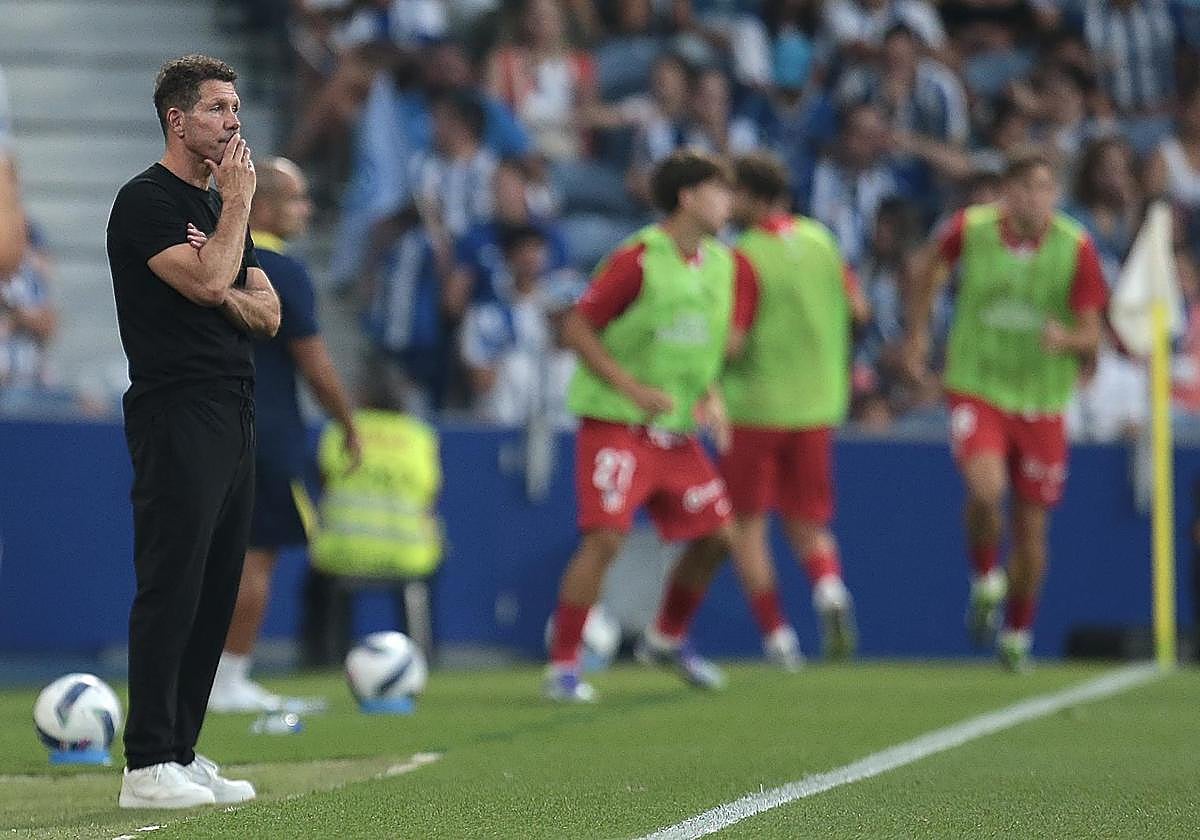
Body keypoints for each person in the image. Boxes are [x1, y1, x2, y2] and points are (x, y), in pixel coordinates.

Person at [105, 55, 280, 808]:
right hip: (178, 406)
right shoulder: (144, 202)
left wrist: (224, 264)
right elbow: (216, 283)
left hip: (234, 404)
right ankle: (146, 763)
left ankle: (181, 748)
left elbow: (267, 312)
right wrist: (233, 217)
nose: (233, 121)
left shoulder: (216, 212)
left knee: (217, 586)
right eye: (217, 108)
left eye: (236, 107)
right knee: (173, 581)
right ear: (178, 121)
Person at [545, 149, 751, 702]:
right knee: (606, 538)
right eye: (719, 191)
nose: (728, 203)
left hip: (677, 430)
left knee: (718, 538)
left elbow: (698, 345)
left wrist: (713, 398)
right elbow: (578, 328)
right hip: (617, 423)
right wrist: (630, 388)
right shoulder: (638, 257)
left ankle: (666, 637)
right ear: (688, 198)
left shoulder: (724, 264)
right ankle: (564, 665)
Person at [902, 150, 1107, 671]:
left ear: (1054, 194)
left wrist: (1068, 339)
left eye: (1041, 188)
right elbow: (928, 266)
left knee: (1033, 532)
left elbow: (1091, 332)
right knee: (985, 489)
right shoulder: (969, 229)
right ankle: (986, 576)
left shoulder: (1075, 246)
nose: (1031, 198)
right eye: (1020, 187)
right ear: (1005, 193)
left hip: (1040, 399)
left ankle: (1016, 632)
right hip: (978, 384)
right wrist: (919, 335)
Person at [207, 157, 362, 713]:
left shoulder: (209, 259)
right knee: (256, 557)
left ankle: (202, 675)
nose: (308, 209)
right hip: (267, 433)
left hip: (207, 426)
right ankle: (230, 680)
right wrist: (349, 424)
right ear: (265, 207)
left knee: (207, 557)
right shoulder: (283, 271)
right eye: (297, 200)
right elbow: (315, 365)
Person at [722, 152, 869, 669]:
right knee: (807, 520)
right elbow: (859, 310)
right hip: (816, 406)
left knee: (747, 526)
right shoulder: (821, 240)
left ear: (748, 195)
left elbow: (734, 343)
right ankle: (829, 588)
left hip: (756, 408)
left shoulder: (745, 255)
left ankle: (778, 637)